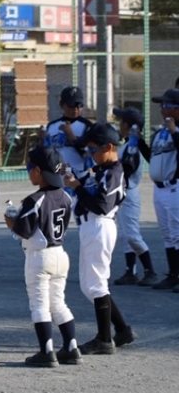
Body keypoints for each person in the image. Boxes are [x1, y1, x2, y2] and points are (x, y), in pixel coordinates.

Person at [5, 146, 81, 367]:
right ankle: (71, 347)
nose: (29, 172)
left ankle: (46, 352)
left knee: (39, 305)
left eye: (29, 168)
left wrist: (11, 221)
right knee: (58, 303)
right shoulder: (66, 196)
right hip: (60, 254)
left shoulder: (34, 199)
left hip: (40, 257)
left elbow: (24, 231)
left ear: (38, 171)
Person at [63, 122, 136, 354]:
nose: (91, 153)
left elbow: (102, 206)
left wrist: (77, 187)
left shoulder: (114, 173)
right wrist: (72, 177)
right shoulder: (101, 169)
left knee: (96, 285)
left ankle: (104, 339)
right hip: (91, 227)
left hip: (100, 226)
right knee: (89, 285)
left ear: (110, 147)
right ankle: (122, 330)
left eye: (94, 149)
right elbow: (86, 180)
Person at [111, 106, 158, 286]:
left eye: (121, 121)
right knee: (124, 235)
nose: (119, 124)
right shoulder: (126, 146)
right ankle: (130, 271)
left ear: (128, 126)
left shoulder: (132, 147)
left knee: (132, 235)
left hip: (129, 193)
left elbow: (128, 168)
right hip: (122, 193)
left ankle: (150, 271)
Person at [147, 89, 179, 292]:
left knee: (177, 234)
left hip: (175, 187)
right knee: (167, 235)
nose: (162, 109)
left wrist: (175, 132)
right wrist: (139, 142)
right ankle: (173, 275)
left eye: (166, 105)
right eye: (161, 105)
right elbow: (152, 159)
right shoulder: (160, 133)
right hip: (159, 189)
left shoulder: (175, 131)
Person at [44, 86, 92, 179]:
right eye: (71, 105)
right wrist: (41, 142)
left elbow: (90, 155)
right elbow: (47, 154)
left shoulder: (87, 126)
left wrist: (72, 137)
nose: (75, 109)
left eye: (79, 105)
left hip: (80, 177)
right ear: (62, 105)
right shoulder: (52, 126)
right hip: (58, 176)